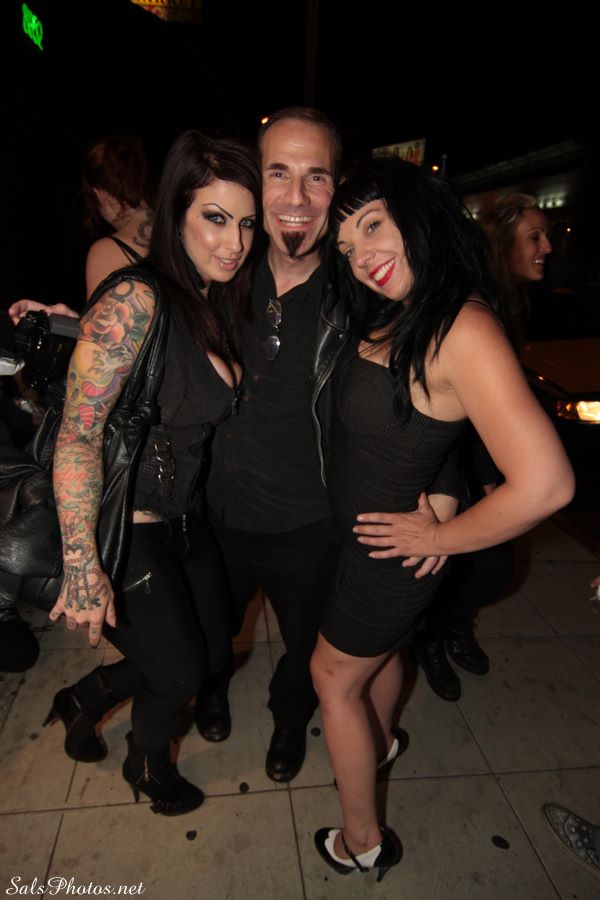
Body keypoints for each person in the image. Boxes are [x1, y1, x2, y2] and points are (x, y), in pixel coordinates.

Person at [309, 156, 574, 878]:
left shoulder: (464, 326)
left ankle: (361, 841)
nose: (360, 256)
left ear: (416, 214)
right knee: (384, 658)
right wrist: (447, 489)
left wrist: (444, 534)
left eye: (372, 225)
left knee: (332, 678)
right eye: (346, 247)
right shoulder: (414, 309)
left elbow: (547, 484)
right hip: (375, 545)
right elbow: (434, 428)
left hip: (390, 557)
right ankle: (381, 741)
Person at [202, 108, 457, 780]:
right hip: (214, 506)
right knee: (210, 629)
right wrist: (80, 325)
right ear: (254, 182)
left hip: (310, 521)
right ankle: (212, 689)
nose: (296, 196)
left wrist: (446, 492)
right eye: (277, 173)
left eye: (315, 177)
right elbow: (147, 314)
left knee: (303, 649)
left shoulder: (366, 294)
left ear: (336, 187)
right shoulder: (220, 270)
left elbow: (437, 391)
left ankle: (290, 720)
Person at [44, 130, 262, 816]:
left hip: (186, 517)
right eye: (216, 218)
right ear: (175, 212)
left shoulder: (209, 294)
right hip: (130, 530)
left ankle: (87, 696)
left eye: (247, 222)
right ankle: (147, 762)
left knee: (211, 653)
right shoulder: (138, 296)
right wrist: (82, 563)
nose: (236, 241)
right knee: (181, 672)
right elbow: (79, 432)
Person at [413, 193, 553, 701]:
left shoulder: (511, 300)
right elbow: (463, 407)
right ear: (502, 243)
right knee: (475, 563)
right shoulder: (477, 307)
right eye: (534, 236)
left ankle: (450, 626)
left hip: (486, 456)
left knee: (485, 566)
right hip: (461, 457)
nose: (547, 246)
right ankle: (431, 637)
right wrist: (488, 476)